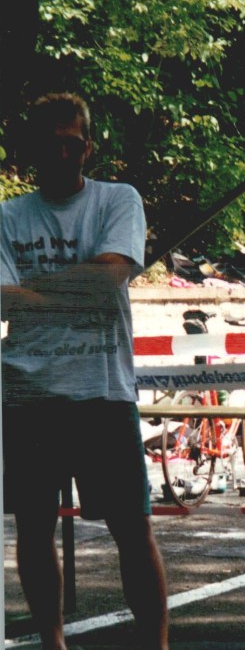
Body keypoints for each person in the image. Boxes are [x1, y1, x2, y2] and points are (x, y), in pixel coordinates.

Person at [1, 92, 169, 650]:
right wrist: (82, 281)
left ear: (88, 147)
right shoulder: (7, 216)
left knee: (133, 528)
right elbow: (2, 299)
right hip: (27, 392)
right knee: (33, 529)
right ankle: (53, 644)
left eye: (71, 144)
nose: (61, 154)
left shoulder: (118, 200)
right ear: (32, 147)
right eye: (50, 144)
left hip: (103, 389)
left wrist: (32, 290)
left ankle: (157, 645)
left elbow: (110, 276)